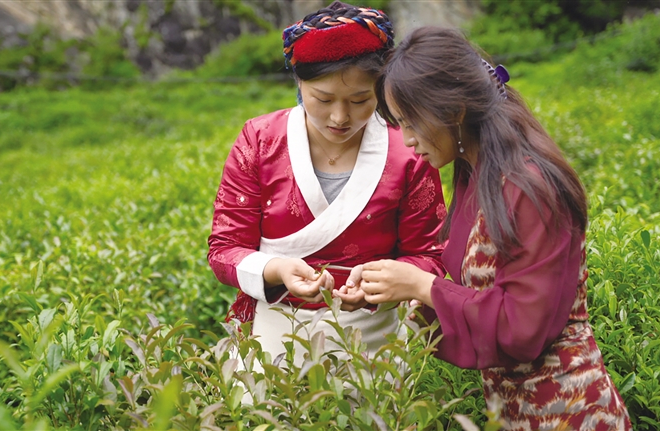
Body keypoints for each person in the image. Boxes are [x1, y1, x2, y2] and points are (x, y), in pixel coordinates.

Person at [360, 26, 632, 429]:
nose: (409, 140)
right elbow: (480, 301)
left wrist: (424, 286)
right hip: (512, 410)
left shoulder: (531, 187)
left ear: (454, 111)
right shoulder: (476, 175)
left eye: (411, 122)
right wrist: (393, 295)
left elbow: (522, 328)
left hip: (570, 409)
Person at [207, 2, 447, 366]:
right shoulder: (260, 140)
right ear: (299, 82)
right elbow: (225, 249)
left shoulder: (408, 150)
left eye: (360, 100)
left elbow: (430, 254)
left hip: (375, 333)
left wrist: (379, 283)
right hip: (275, 328)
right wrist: (278, 270)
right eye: (323, 99)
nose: (340, 117)